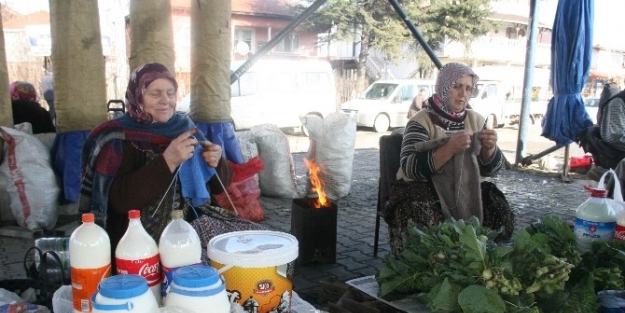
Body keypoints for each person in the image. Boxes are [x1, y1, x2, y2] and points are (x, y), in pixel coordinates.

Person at [79, 63, 263, 265]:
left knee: (251, 249)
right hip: (137, 244)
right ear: (137, 96)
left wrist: (217, 162)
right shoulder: (117, 137)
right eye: (155, 93)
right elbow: (121, 202)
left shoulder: (184, 128)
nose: (165, 100)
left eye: (171, 93)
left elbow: (218, 186)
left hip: (187, 230)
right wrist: (168, 161)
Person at [384, 63, 514, 255]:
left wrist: (490, 149)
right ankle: (425, 272)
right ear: (444, 87)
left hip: (467, 186)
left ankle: (480, 265)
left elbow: (491, 170)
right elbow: (410, 167)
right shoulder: (421, 121)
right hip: (423, 186)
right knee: (417, 216)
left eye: (468, 88)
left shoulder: (477, 120)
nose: (463, 93)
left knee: (501, 214)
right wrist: (449, 149)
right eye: (457, 86)